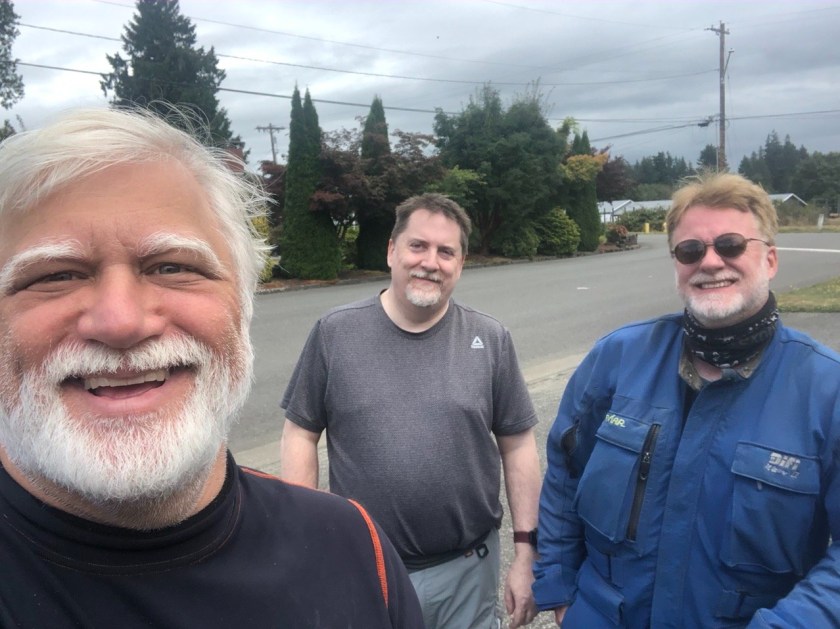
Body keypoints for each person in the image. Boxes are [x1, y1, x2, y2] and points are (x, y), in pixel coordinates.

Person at [0, 107, 424, 628]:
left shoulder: (354, 550)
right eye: (56, 275)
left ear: (243, 303)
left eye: (172, 266)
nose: (121, 322)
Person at [533, 172, 840, 628]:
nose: (710, 262)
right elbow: (565, 470)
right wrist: (560, 587)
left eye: (731, 245)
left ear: (770, 259)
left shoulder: (826, 389)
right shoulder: (618, 357)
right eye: (690, 250)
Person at [280, 193, 542, 628]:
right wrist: (306, 541)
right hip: (365, 571)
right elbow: (300, 434)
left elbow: (518, 446)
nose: (430, 262)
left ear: (460, 264)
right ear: (391, 250)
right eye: (417, 245)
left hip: (467, 574)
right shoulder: (335, 333)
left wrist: (526, 552)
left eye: (446, 252)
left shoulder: (490, 338)